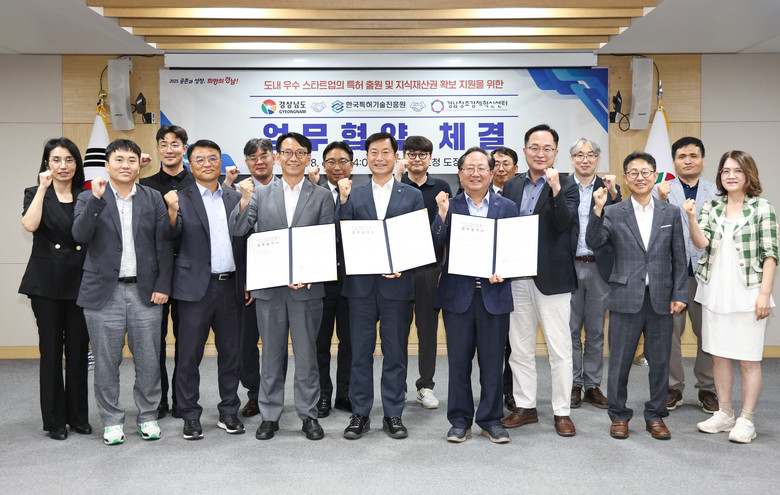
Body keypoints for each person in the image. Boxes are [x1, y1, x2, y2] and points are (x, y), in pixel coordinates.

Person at [231, 132, 334, 441]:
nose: (293, 158)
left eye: (300, 153)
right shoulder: (259, 194)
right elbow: (238, 229)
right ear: (277, 157)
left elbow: (326, 241)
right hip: (270, 289)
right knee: (271, 356)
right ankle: (270, 415)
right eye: (287, 152)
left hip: (306, 289)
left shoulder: (321, 195)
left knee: (307, 356)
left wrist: (310, 273)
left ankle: (309, 414)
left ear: (308, 158)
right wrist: (244, 200)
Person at [73, 139, 173, 445]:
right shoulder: (89, 197)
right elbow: (79, 235)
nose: (125, 165)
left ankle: (148, 416)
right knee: (106, 362)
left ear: (139, 164)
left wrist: (163, 285)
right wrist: (96, 200)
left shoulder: (152, 197)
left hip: (146, 292)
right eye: (118, 160)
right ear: (107, 165)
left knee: (148, 360)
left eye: (131, 160)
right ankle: (112, 421)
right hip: (104, 294)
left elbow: (164, 243)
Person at [586, 151, 687, 440]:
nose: (640, 177)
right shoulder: (614, 211)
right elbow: (594, 241)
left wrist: (680, 293)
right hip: (624, 296)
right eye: (633, 172)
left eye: (645, 172)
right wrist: (597, 210)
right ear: (626, 178)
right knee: (619, 363)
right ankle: (618, 415)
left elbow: (679, 257)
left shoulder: (670, 212)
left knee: (660, 362)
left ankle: (655, 415)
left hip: (661, 298)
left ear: (654, 176)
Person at [336, 132, 425, 440]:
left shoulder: (411, 194)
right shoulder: (353, 192)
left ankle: (393, 414)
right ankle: (360, 413)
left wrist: (403, 263)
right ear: (367, 157)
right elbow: (342, 233)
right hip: (360, 287)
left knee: (395, 353)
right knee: (360, 353)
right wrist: (343, 201)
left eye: (385, 152)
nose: (379, 158)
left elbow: (417, 238)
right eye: (373, 152)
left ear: (395, 156)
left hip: (396, 286)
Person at [688, 150, 777, 444]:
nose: (731, 176)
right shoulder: (711, 206)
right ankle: (725, 413)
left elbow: (770, 254)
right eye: (726, 171)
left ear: (748, 174)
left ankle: (747, 419)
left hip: (749, 293)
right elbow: (701, 242)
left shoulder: (762, 207)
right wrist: (691, 217)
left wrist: (764, 294)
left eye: (737, 170)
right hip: (715, 292)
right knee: (719, 356)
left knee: (749, 359)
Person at [432, 147, 519, 444]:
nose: (476, 173)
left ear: (492, 173)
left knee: (493, 364)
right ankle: (459, 421)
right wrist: (441, 215)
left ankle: (491, 420)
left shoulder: (507, 206)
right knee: (458, 363)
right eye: (469, 168)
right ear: (460, 174)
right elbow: (434, 246)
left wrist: (506, 270)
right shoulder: (449, 204)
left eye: (482, 168)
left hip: (494, 295)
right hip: (458, 296)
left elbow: (514, 249)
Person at [164, 140, 246, 440]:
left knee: (231, 354)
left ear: (221, 163)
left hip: (231, 287)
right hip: (193, 289)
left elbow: (245, 241)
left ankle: (229, 411)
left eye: (213, 158)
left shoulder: (236, 197)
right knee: (188, 356)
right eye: (200, 159)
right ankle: (189, 414)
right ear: (190, 164)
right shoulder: (179, 198)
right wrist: (171, 212)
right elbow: (168, 236)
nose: (207, 164)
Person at [500, 124, 579, 437]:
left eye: (547, 148)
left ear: (556, 152)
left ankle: (562, 411)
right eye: (534, 147)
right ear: (525, 151)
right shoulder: (511, 185)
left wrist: (555, 189)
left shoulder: (568, 185)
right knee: (520, 349)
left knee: (560, 350)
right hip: (516, 277)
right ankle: (525, 406)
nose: (540, 153)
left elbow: (564, 224)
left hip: (553, 279)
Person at [20, 138, 90, 441]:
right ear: (46, 164)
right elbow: (30, 225)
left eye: (69, 159)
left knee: (78, 351)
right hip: (46, 283)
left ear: (77, 163)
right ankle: (54, 420)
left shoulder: (85, 195)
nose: (63, 166)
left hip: (80, 283)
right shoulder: (34, 192)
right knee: (50, 352)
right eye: (56, 159)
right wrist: (42, 189)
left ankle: (78, 416)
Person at [654, 137, 719, 413]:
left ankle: (708, 388)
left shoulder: (718, 192)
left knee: (708, 334)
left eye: (693, 155)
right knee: (670, 333)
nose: (688, 160)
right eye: (682, 156)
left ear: (703, 160)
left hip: (708, 274)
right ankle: (673, 387)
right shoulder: (660, 190)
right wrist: (661, 201)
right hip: (672, 275)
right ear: (674, 161)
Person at [393, 135, 452, 409]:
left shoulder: (441, 187)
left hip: (430, 268)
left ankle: (425, 386)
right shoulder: (395, 184)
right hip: (400, 269)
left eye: (422, 154)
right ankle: (398, 386)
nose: (417, 159)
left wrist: (443, 268)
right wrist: (397, 177)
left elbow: (446, 231)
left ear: (430, 158)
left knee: (427, 331)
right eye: (411, 153)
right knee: (398, 331)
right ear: (403, 156)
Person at [140, 124, 194, 419]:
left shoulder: (198, 182)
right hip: (155, 273)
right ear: (158, 148)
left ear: (184, 149)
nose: (169, 149)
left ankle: (182, 401)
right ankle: (158, 400)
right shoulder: (145, 184)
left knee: (186, 342)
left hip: (189, 272)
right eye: (164, 144)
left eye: (175, 144)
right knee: (154, 342)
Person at [225, 138, 279, 418]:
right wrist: (245, 277)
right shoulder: (235, 193)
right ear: (246, 162)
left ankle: (275, 395)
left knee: (276, 344)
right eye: (252, 157)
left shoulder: (288, 188)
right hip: (247, 281)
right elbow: (233, 240)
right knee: (246, 343)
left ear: (274, 158)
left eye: (264, 155)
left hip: (283, 279)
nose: (259, 161)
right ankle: (255, 394)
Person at [568, 138, 621, 410]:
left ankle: (592, 384)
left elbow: (620, 221)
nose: (585, 159)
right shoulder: (562, 187)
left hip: (599, 268)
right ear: (572, 159)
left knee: (596, 331)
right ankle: (574, 383)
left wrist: (614, 195)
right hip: (569, 267)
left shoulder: (609, 188)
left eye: (590, 155)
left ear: (598, 159)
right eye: (579, 155)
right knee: (570, 330)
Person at [309, 141, 354, 418]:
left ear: (352, 164)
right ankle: (322, 395)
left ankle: (345, 394)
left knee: (350, 344)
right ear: (323, 165)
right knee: (320, 343)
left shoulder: (361, 194)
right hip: (320, 281)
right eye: (331, 162)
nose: (337, 167)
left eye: (342, 161)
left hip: (352, 282)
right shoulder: (311, 194)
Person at [490, 146, 520, 411]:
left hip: (516, 277)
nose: (501, 168)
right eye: (496, 164)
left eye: (506, 163)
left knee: (514, 342)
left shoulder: (519, 198)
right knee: (492, 344)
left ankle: (509, 390)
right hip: (485, 282)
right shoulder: (475, 195)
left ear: (515, 169)